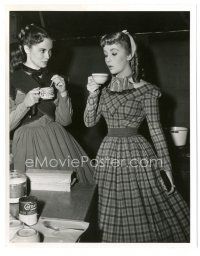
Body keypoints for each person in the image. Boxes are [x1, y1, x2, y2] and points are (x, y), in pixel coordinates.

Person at [84, 30, 190, 242]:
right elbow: (89, 121)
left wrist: (166, 168)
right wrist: (93, 94)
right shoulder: (104, 91)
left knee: (143, 211)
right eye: (105, 54)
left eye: (114, 53)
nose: (108, 60)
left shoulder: (147, 91)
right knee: (108, 209)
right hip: (108, 154)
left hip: (137, 153)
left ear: (130, 55)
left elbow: (156, 130)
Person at [10, 24, 94, 184]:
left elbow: (65, 121)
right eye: (42, 50)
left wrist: (63, 93)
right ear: (26, 49)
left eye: (50, 51)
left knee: (72, 192)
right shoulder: (11, 81)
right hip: (28, 143)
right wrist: (25, 104)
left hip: (58, 140)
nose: (48, 56)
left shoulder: (54, 78)